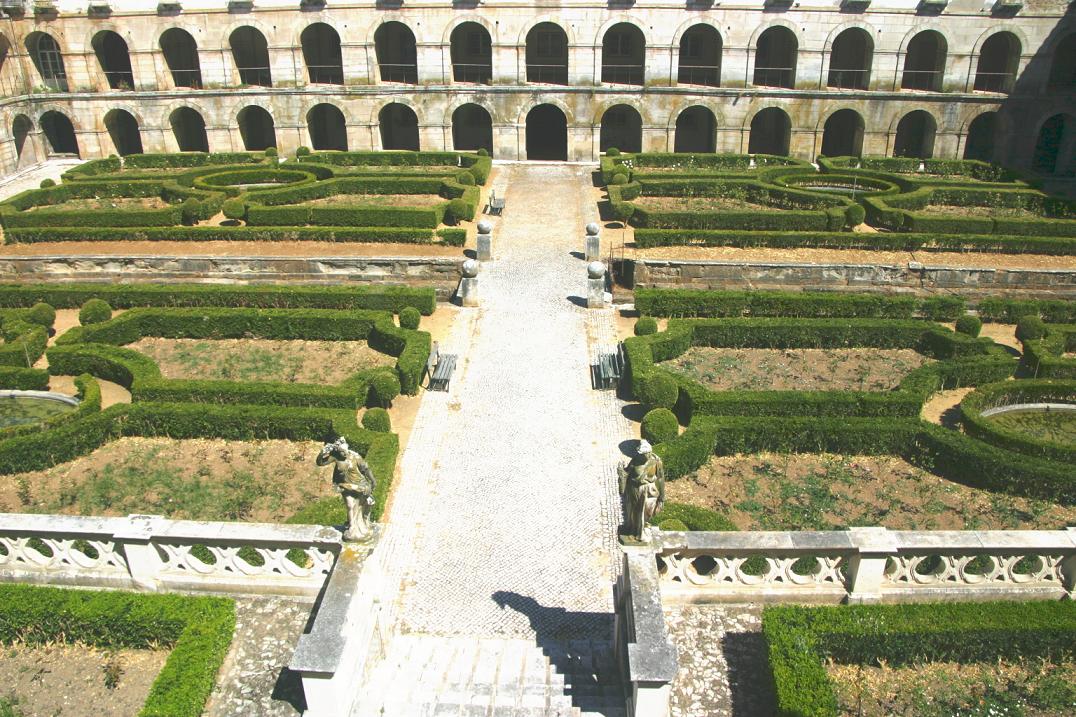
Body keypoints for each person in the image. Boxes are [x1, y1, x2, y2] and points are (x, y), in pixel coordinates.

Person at [316, 437, 377, 542]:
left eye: (345, 451)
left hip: (359, 485)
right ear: (338, 451)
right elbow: (320, 463)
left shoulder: (355, 457)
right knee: (350, 505)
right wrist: (323, 452)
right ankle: (352, 526)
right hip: (345, 485)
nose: (345, 454)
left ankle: (362, 523)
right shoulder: (336, 457)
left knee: (362, 505)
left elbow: (366, 469)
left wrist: (372, 481)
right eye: (342, 452)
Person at [617, 440, 665, 542]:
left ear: (649, 453)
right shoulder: (635, 460)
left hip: (649, 491)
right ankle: (636, 532)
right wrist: (621, 472)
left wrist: (662, 496)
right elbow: (627, 473)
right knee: (634, 513)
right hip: (634, 490)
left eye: (644, 454)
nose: (643, 456)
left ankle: (641, 530)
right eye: (641, 454)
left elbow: (660, 478)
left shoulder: (656, 462)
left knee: (646, 511)